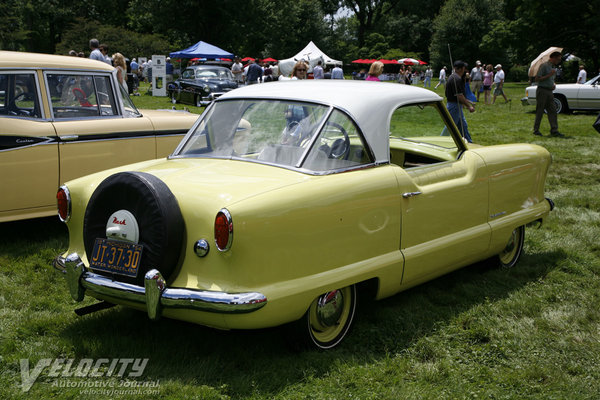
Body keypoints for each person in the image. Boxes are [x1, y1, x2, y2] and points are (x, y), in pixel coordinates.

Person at [533, 51, 564, 137]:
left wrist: (553, 84)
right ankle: (536, 130)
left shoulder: (552, 67)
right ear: (553, 58)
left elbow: (550, 79)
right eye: (558, 59)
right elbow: (537, 79)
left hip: (549, 91)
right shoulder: (544, 66)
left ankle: (554, 130)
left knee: (553, 110)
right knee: (540, 110)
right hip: (542, 91)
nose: (559, 61)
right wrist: (549, 75)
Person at [444, 60, 474, 143]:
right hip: (454, 106)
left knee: (463, 126)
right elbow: (459, 96)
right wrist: (469, 106)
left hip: (456, 105)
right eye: (464, 68)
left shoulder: (453, 77)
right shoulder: (456, 79)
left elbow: (457, 95)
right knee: (450, 127)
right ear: (462, 68)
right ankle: (439, 143)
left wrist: (467, 101)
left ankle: (469, 142)